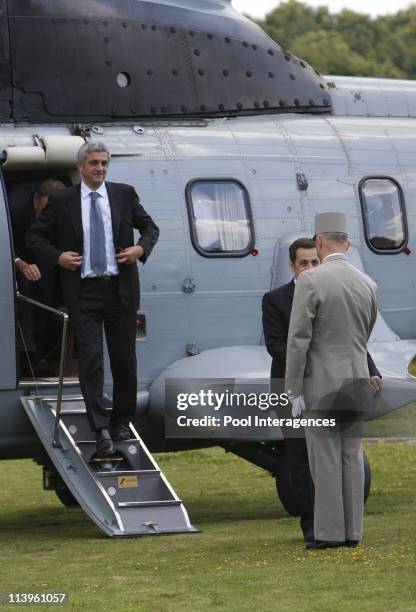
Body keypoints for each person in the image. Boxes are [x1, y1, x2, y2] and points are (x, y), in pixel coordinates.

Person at [27, 142, 159, 455]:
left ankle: (122, 422)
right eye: (94, 163)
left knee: (125, 361)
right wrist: (57, 257)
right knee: (90, 362)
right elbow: (34, 237)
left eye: (104, 163)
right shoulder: (62, 200)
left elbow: (150, 228)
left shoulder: (124, 194)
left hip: (120, 290)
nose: (99, 168)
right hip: (84, 292)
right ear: (81, 166)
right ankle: (100, 428)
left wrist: (140, 249)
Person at [262, 237, 382, 543]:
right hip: (309, 383)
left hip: (318, 383)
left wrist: (370, 369)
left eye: (314, 261)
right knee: (305, 459)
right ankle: (318, 525)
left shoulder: (323, 286)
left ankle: (331, 532)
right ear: (291, 265)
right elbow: (280, 348)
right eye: (304, 262)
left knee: (329, 458)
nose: (310, 267)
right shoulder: (275, 299)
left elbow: (343, 339)